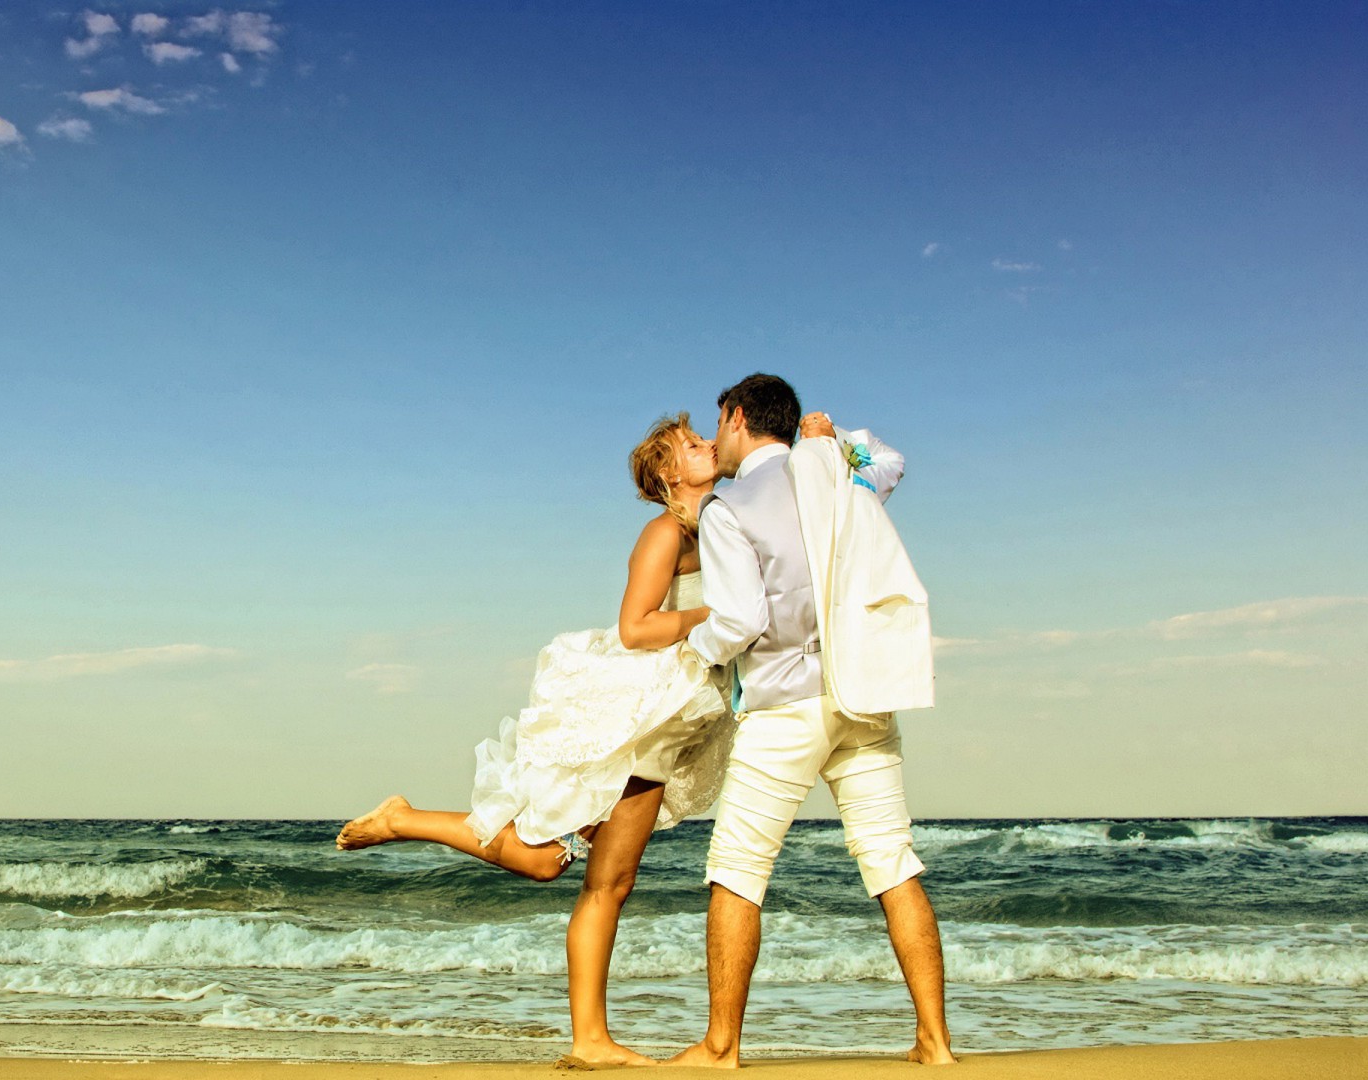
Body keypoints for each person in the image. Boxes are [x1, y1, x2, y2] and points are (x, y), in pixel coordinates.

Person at [335, 414, 736, 1068]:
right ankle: (590, 1043)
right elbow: (635, 627)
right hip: (647, 716)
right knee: (607, 881)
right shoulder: (666, 531)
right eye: (693, 445)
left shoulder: (710, 526)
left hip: (671, 715)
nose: (709, 446)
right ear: (669, 474)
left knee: (554, 862)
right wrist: (715, 616)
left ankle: (404, 819)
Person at [666, 374, 956, 1068]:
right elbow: (892, 462)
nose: (718, 441)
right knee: (891, 859)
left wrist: (691, 650)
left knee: (737, 868)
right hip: (862, 691)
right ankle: (935, 1043)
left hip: (785, 704)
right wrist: (834, 438)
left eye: (719, 424)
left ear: (737, 417)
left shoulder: (728, 508)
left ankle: (721, 1046)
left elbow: (737, 620)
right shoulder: (838, 476)